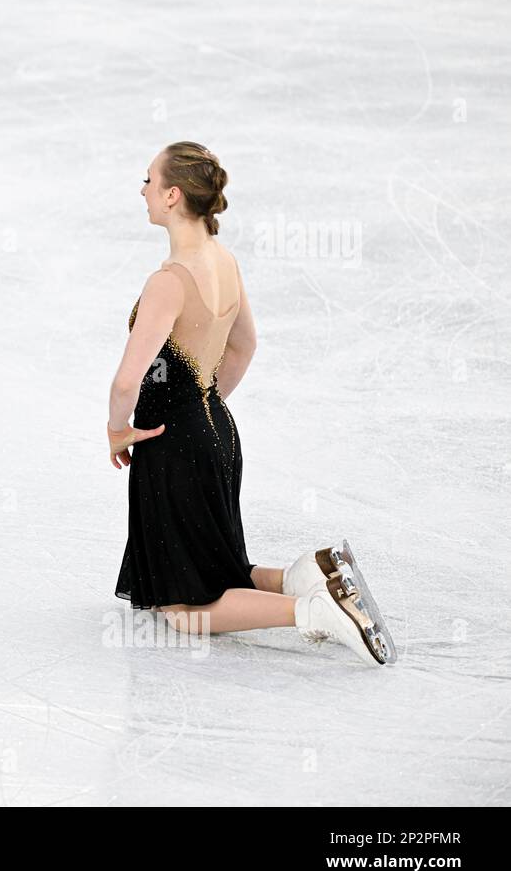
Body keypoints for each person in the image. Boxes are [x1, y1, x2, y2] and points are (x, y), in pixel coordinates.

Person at [106, 142, 396, 666]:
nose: (143, 189)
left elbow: (128, 380)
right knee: (217, 567)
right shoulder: (224, 261)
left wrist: (116, 429)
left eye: (148, 180)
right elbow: (244, 346)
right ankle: (311, 569)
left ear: (172, 196)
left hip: (175, 444)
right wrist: (204, 409)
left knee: (180, 608)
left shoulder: (169, 282)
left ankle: (314, 610)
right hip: (218, 428)